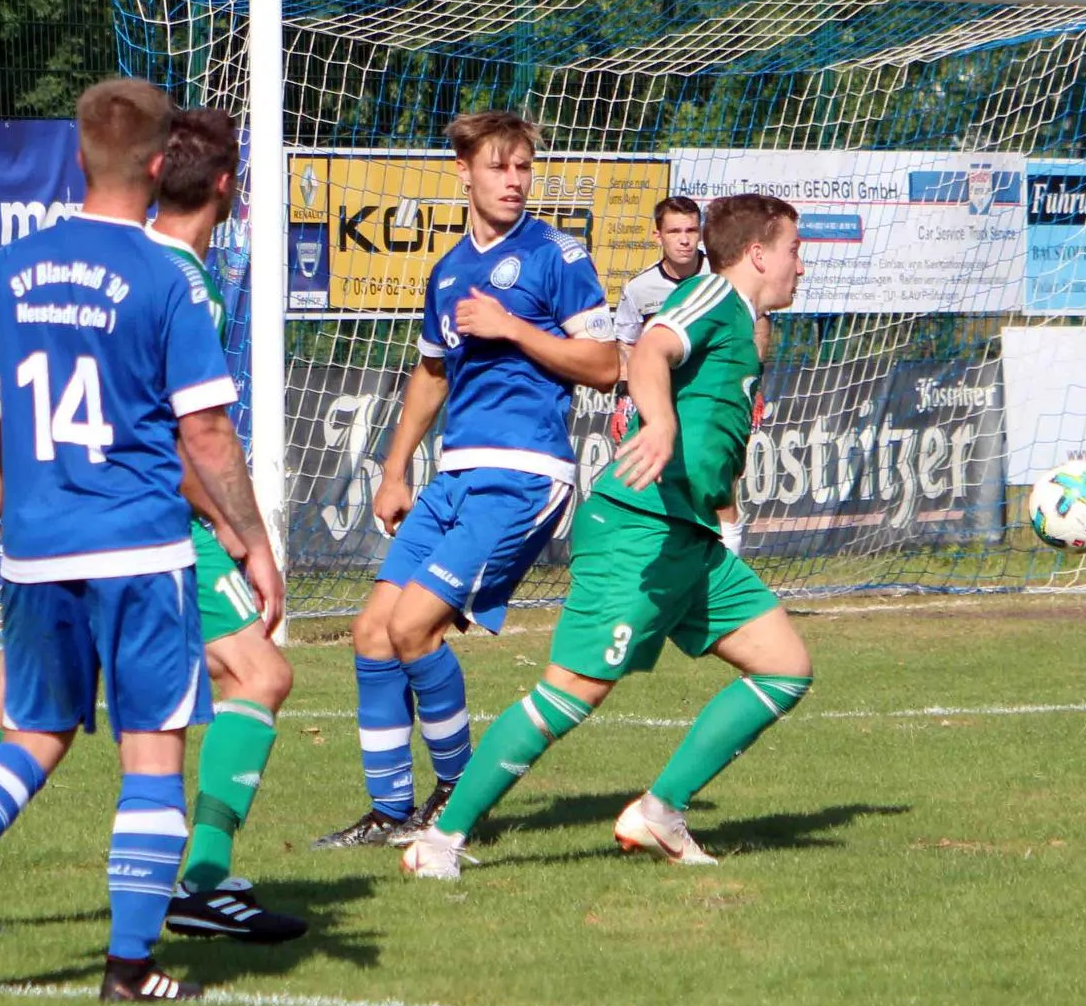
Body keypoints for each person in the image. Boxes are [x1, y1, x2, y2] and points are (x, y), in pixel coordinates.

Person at [0, 79, 283, 1004]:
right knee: (152, 752)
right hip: (138, 548)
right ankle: (129, 967)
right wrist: (253, 539)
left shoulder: (17, 267)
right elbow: (206, 432)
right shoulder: (166, 277)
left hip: (39, 549)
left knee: (33, 733)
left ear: (81, 155)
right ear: (157, 163)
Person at [401, 193, 813, 881]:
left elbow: (715, 441)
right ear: (758, 254)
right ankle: (440, 838)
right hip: (638, 530)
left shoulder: (745, 325)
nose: (802, 265)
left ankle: (660, 811)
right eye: (795, 250)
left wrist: (724, 516)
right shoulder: (712, 296)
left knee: (785, 666)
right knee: (572, 691)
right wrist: (660, 422)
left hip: (687, 537)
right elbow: (650, 348)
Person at [313, 111, 620, 849]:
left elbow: (608, 365)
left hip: (523, 476)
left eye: (523, 167)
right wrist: (394, 472)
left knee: (412, 627)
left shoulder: (556, 255)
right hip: (452, 475)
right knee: (372, 633)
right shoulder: (449, 269)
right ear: (464, 171)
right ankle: (391, 811)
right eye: (498, 166)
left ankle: (458, 797)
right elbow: (430, 372)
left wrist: (513, 327)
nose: (514, 181)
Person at [612, 195, 769, 555]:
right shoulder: (640, 288)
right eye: (674, 231)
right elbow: (628, 345)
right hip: (663, 400)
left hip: (713, 396)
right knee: (657, 480)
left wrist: (752, 382)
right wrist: (625, 397)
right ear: (657, 236)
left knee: (720, 479)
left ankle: (727, 563)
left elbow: (758, 323)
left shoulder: (721, 279)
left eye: (691, 230)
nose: (684, 240)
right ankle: (667, 559)